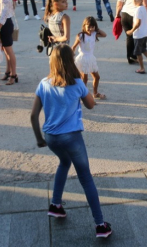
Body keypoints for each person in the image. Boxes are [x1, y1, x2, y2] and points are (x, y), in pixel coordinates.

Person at [30, 45, 112, 239]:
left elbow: (33, 116)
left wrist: (39, 139)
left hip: (51, 138)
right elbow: (91, 105)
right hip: (72, 137)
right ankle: (100, 224)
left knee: (64, 162)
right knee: (86, 178)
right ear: (70, 61)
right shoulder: (77, 84)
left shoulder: (43, 83)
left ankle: (56, 204)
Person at [71, 17, 107, 100]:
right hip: (83, 58)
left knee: (97, 77)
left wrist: (97, 29)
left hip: (91, 58)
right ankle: (82, 95)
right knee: (84, 79)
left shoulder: (94, 34)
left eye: (92, 27)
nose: (90, 29)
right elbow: (74, 46)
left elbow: (104, 35)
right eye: (88, 26)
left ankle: (95, 93)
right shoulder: (81, 35)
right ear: (84, 25)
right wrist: (72, 56)